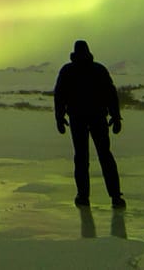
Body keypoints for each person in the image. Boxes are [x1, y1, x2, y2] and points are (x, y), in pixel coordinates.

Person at [54, 39, 125, 208]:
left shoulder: (74, 70)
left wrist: (116, 117)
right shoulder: (94, 70)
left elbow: (110, 94)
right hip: (89, 118)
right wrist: (115, 116)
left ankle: (90, 196)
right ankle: (108, 196)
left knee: (87, 157)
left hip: (89, 118)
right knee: (96, 156)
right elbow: (60, 95)